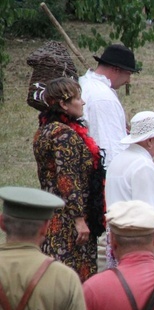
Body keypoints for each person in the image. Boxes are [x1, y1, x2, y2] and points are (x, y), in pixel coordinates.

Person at [33, 77, 106, 282]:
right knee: (70, 278)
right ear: (64, 104)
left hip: (51, 213)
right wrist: (79, 220)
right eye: (78, 98)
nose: (82, 102)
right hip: (67, 222)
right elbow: (68, 179)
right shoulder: (64, 135)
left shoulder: (44, 131)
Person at [105, 111, 154, 268]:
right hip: (139, 244)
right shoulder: (142, 166)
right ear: (150, 141)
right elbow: (149, 215)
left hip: (119, 237)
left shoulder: (118, 160)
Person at [79, 44, 138, 165]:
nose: (128, 81)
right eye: (128, 74)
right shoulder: (102, 97)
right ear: (116, 69)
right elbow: (109, 147)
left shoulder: (84, 82)